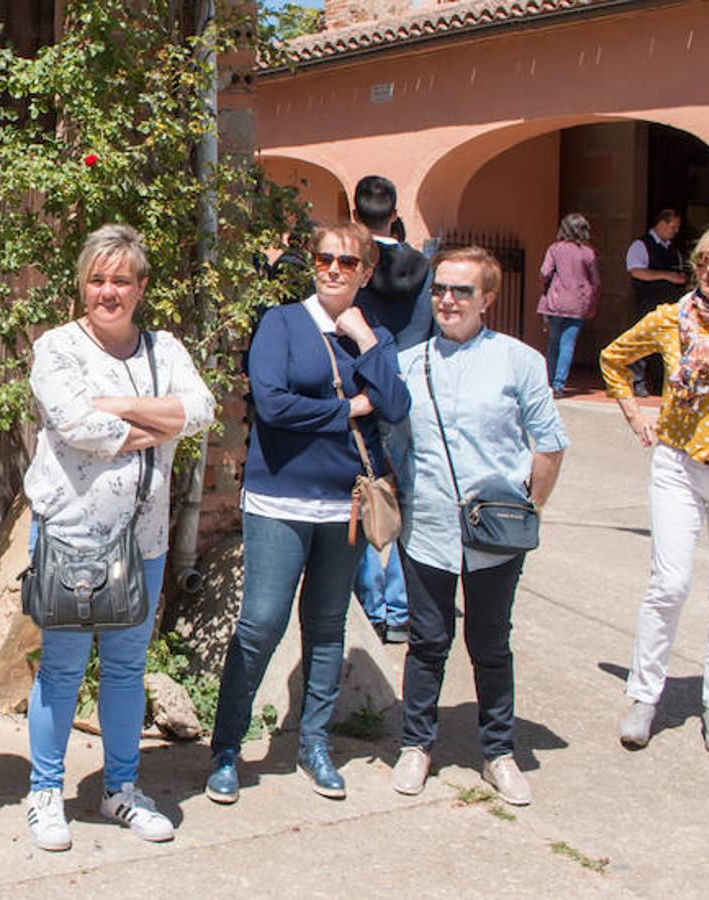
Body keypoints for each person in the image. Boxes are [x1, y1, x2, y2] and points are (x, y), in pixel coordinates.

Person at [22, 224, 215, 851]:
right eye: (98, 279)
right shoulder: (58, 347)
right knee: (63, 669)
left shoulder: (165, 349)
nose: (109, 291)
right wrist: (156, 417)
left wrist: (117, 405)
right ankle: (45, 792)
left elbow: (201, 411)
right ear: (83, 284)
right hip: (72, 534)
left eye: (121, 280)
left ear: (140, 287)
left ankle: (121, 790)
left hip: (144, 539)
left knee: (127, 669)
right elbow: (75, 425)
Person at [207, 223, 411, 805]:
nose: (332, 270)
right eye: (324, 259)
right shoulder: (281, 323)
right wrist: (347, 406)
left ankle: (313, 745)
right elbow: (271, 405)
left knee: (326, 629)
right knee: (261, 624)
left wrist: (368, 343)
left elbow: (395, 406)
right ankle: (225, 748)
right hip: (279, 500)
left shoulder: (376, 337)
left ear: (366, 273)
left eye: (347, 263)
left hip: (344, 504)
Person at [387, 246, 568, 807]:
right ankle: (416, 745)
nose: (447, 300)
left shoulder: (520, 362)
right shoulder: (408, 363)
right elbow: (394, 443)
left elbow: (551, 444)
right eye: (440, 289)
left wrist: (528, 510)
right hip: (427, 529)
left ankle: (498, 752)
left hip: (495, 536)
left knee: (490, 644)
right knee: (427, 643)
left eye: (462, 291)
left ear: (487, 298)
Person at [601, 225, 709, 758]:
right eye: (703, 258)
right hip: (677, 465)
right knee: (669, 584)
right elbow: (612, 359)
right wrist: (635, 413)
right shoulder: (669, 320)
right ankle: (644, 697)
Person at [350, 175, 433, 644]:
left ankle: (371, 599)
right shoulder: (425, 267)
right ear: (396, 216)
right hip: (410, 386)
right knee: (405, 491)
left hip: (366, 383)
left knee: (363, 488)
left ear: (356, 217)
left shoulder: (356, 264)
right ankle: (402, 606)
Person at [538, 213, 601, 397]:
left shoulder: (555, 249)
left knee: (554, 342)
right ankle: (559, 384)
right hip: (578, 303)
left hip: (556, 301)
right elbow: (596, 281)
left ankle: (549, 382)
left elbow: (544, 272)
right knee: (568, 344)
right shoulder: (588, 252)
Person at [625, 209, 687, 396]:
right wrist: (666, 276)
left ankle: (662, 384)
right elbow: (636, 270)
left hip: (669, 305)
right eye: (672, 227)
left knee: (665, 345)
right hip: (647, 303)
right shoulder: (641, 245)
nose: (675, 231)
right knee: (642, 343)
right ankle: (637, 382)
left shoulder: (673, 249)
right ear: (661, 223)